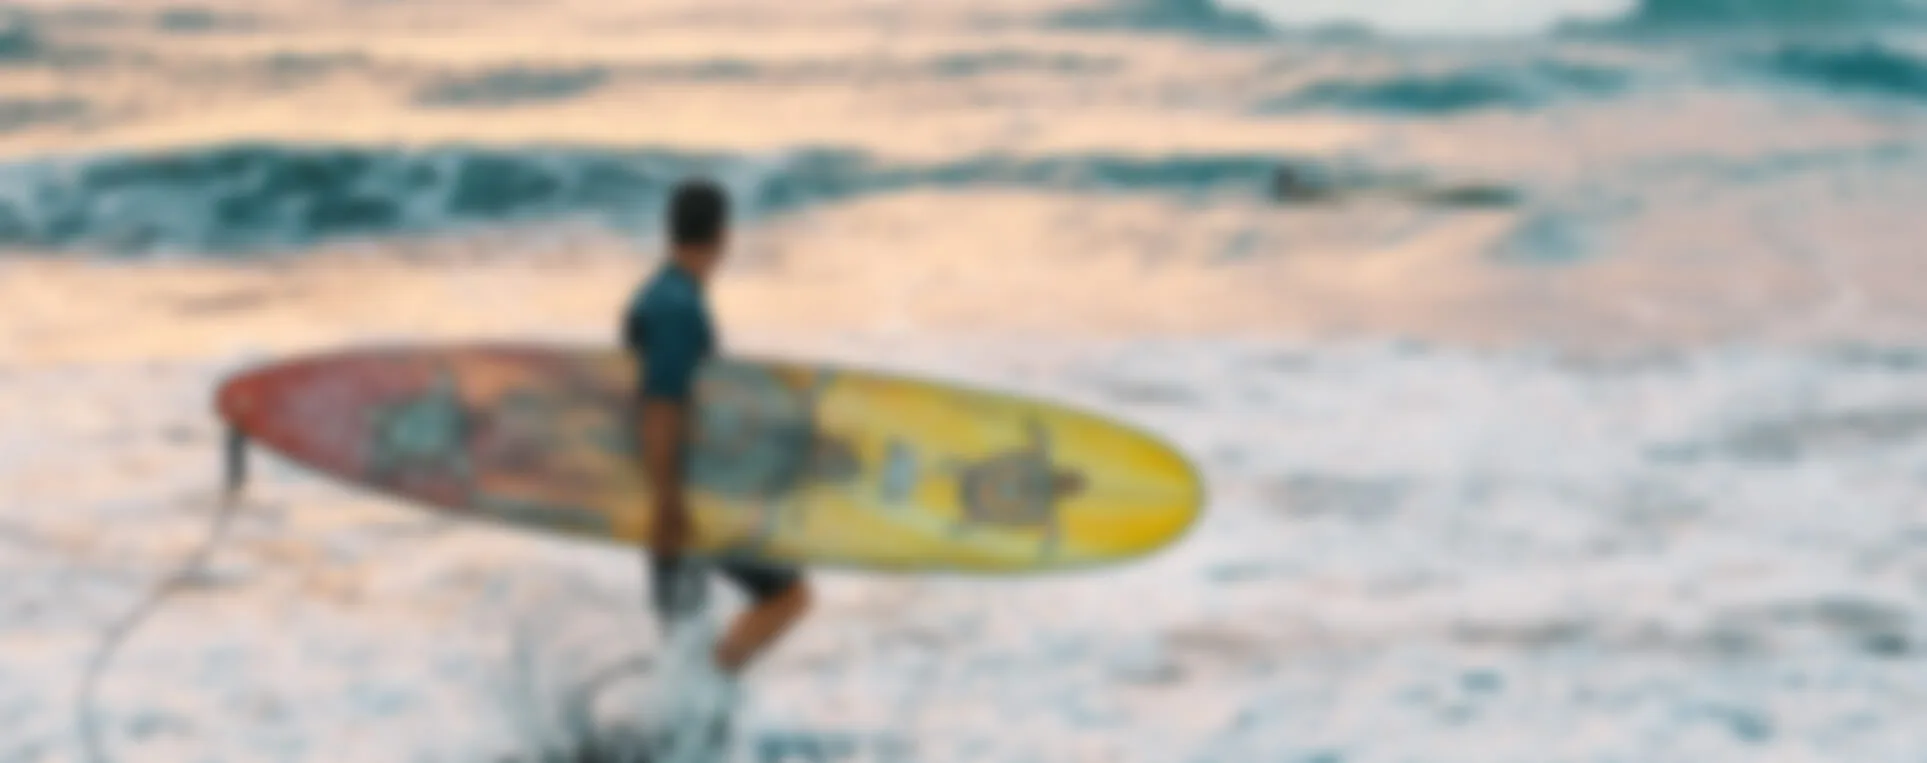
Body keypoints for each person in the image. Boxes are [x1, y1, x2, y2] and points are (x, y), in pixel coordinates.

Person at [622, 178, 812, 759]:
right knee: (787, 596)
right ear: (723, 237)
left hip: (680, 497)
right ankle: (701, 695)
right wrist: (669, 504)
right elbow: (661, 405)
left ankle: (685, 715)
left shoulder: (661, 294)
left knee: (685, 637)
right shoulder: (677, 307)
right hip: (686, 504)